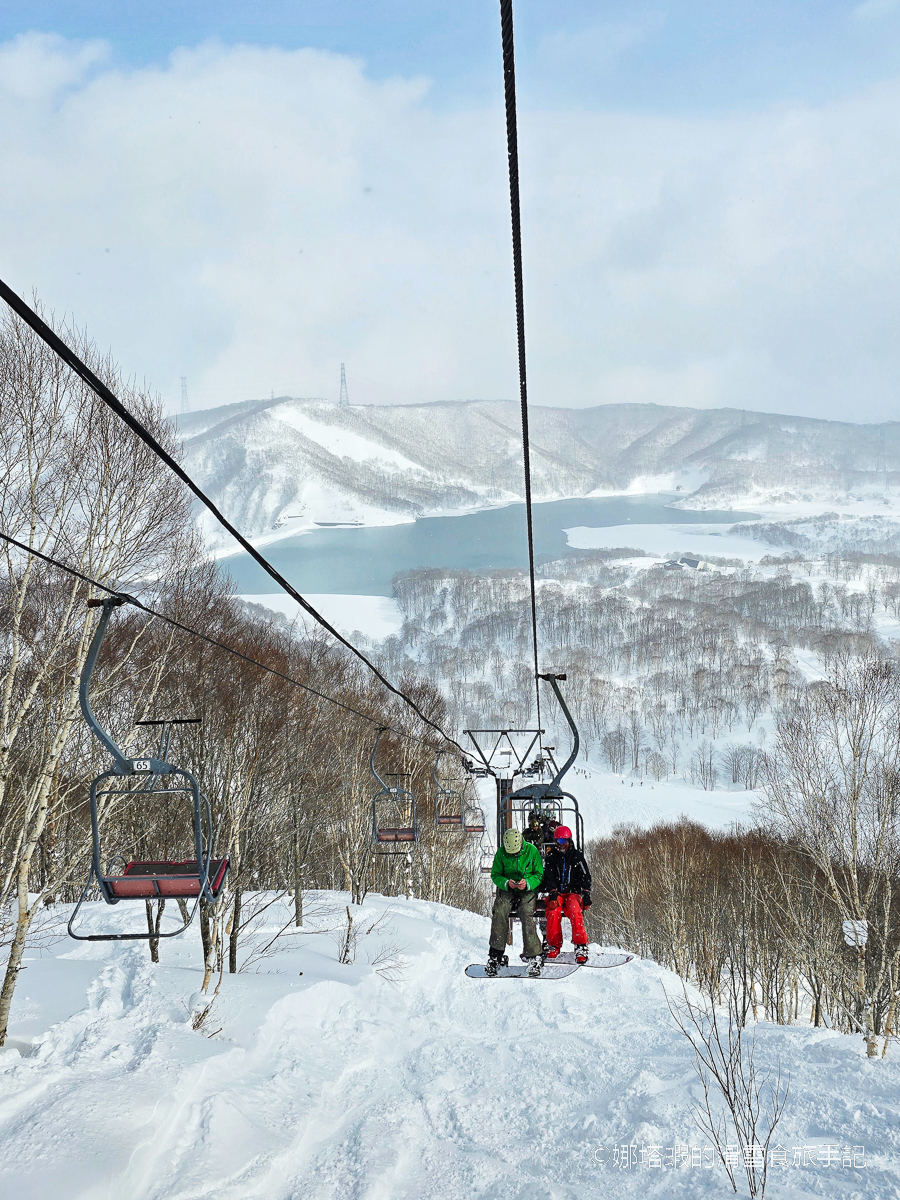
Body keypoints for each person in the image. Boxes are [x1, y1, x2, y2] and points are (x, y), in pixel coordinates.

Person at [485, 827, 544, 977]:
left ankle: (533, 955)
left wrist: (528, 883)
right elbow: (496, 874)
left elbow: (539, 874)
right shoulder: (501, 853)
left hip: (527, 889)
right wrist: (506, 883)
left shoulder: (531, 851)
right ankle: (496, 954)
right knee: (500, 911)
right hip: (508, 888)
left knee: (526, 912)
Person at [542, 825, 592, 964]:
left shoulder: (576, 856)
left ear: (568, 841)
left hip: (572, 892)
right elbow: (549, 876)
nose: (560, 845)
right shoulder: (551, 856)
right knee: (553, 911)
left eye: (563, 842)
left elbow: (585, 875)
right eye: (558, 841)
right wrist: (552, 892)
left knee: (575, 910)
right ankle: (553, 944)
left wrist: (586, 893)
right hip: (557, 892)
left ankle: (581, 944)